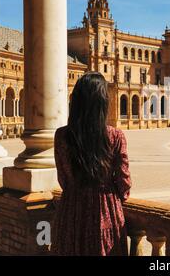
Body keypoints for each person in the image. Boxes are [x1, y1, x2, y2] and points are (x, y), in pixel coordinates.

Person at [52, 72, 131, 256]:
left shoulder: (61, 136)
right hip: (105, 210)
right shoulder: (115, 136)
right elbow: (124, 183)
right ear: (102, 102)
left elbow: (63, 179)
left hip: (71, 210)